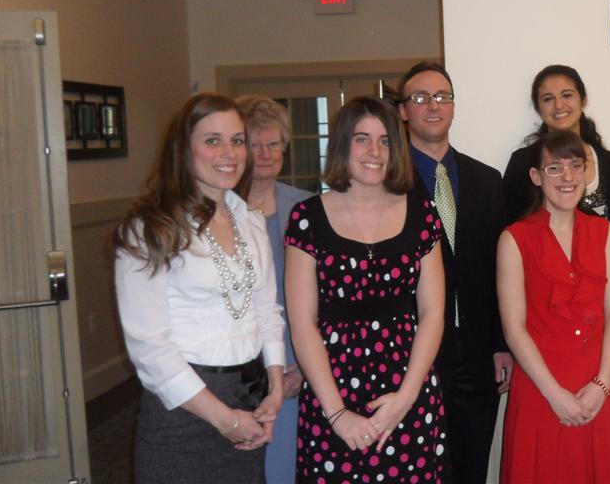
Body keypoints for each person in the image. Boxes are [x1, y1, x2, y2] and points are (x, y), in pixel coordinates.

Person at [114, 93, 286, 483]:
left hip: (249, 395)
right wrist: (225, 420)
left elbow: (266, 311)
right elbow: (151, 349)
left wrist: (274, 388)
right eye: (212, 140)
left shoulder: (250, 221)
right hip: (184, 408)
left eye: (237, 140)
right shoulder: (149, 229)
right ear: (184, 149)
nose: (229, 153)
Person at [284, 96, 448, 483]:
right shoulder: (307, 218)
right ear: (343, 145)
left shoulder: (423, 214)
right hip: (333, 395)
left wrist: (406, 397)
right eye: (362, 139)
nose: (374, 151)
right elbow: (303, 323)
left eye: (385, 140)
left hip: (408, 389)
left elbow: (432, 313)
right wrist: (337, 414)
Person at [497, 130, 610, 483]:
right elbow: (514, 329)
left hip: (595, 384)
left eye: (576, 166)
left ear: (587, 172)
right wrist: (554, 395)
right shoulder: (514, 239)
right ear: (536, 176)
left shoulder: (605, 233)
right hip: (539, 386)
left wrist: (603, 383)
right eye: (555, 168)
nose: (567, 177)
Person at [396, 62, 512, 484]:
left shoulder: (487, 180)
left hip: (479, 354)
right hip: (411, 353)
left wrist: (502, 344)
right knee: (416, 469)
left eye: (442, 97)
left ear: (454, 107)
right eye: (420, 98)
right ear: (403, 111)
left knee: (471, 468)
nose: (433, 106)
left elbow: (501, 272)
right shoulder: (389, 184)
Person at [236, 95, 314, 484]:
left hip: (295, 369)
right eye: (255, 144)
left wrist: (302, 368)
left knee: (286, 469)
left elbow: (322, 298)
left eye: (273, 144)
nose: (265, 154)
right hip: (234, 371)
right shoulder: (217, 210)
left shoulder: (306, 208)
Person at [503, 64, 610, 236]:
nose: (559, 105)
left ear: (583, 100)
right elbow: (511, 229)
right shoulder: (522, 163)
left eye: (567, 95)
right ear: (538, 108)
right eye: (548, 98)